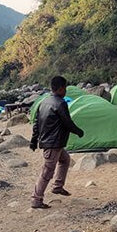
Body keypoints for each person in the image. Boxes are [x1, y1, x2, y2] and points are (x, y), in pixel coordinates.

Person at [29, 76, 85, 209]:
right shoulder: (60, 103)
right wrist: (78, 131)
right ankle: (36, 200)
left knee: (65, 160)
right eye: (65, 88)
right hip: (53, 144)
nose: (65, 90)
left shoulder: (44, 102)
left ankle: (58, 186)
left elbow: (36, 123)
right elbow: (67, 122)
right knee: (47, 171)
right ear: (60, 89)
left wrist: (33, 140)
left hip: (53, 143)